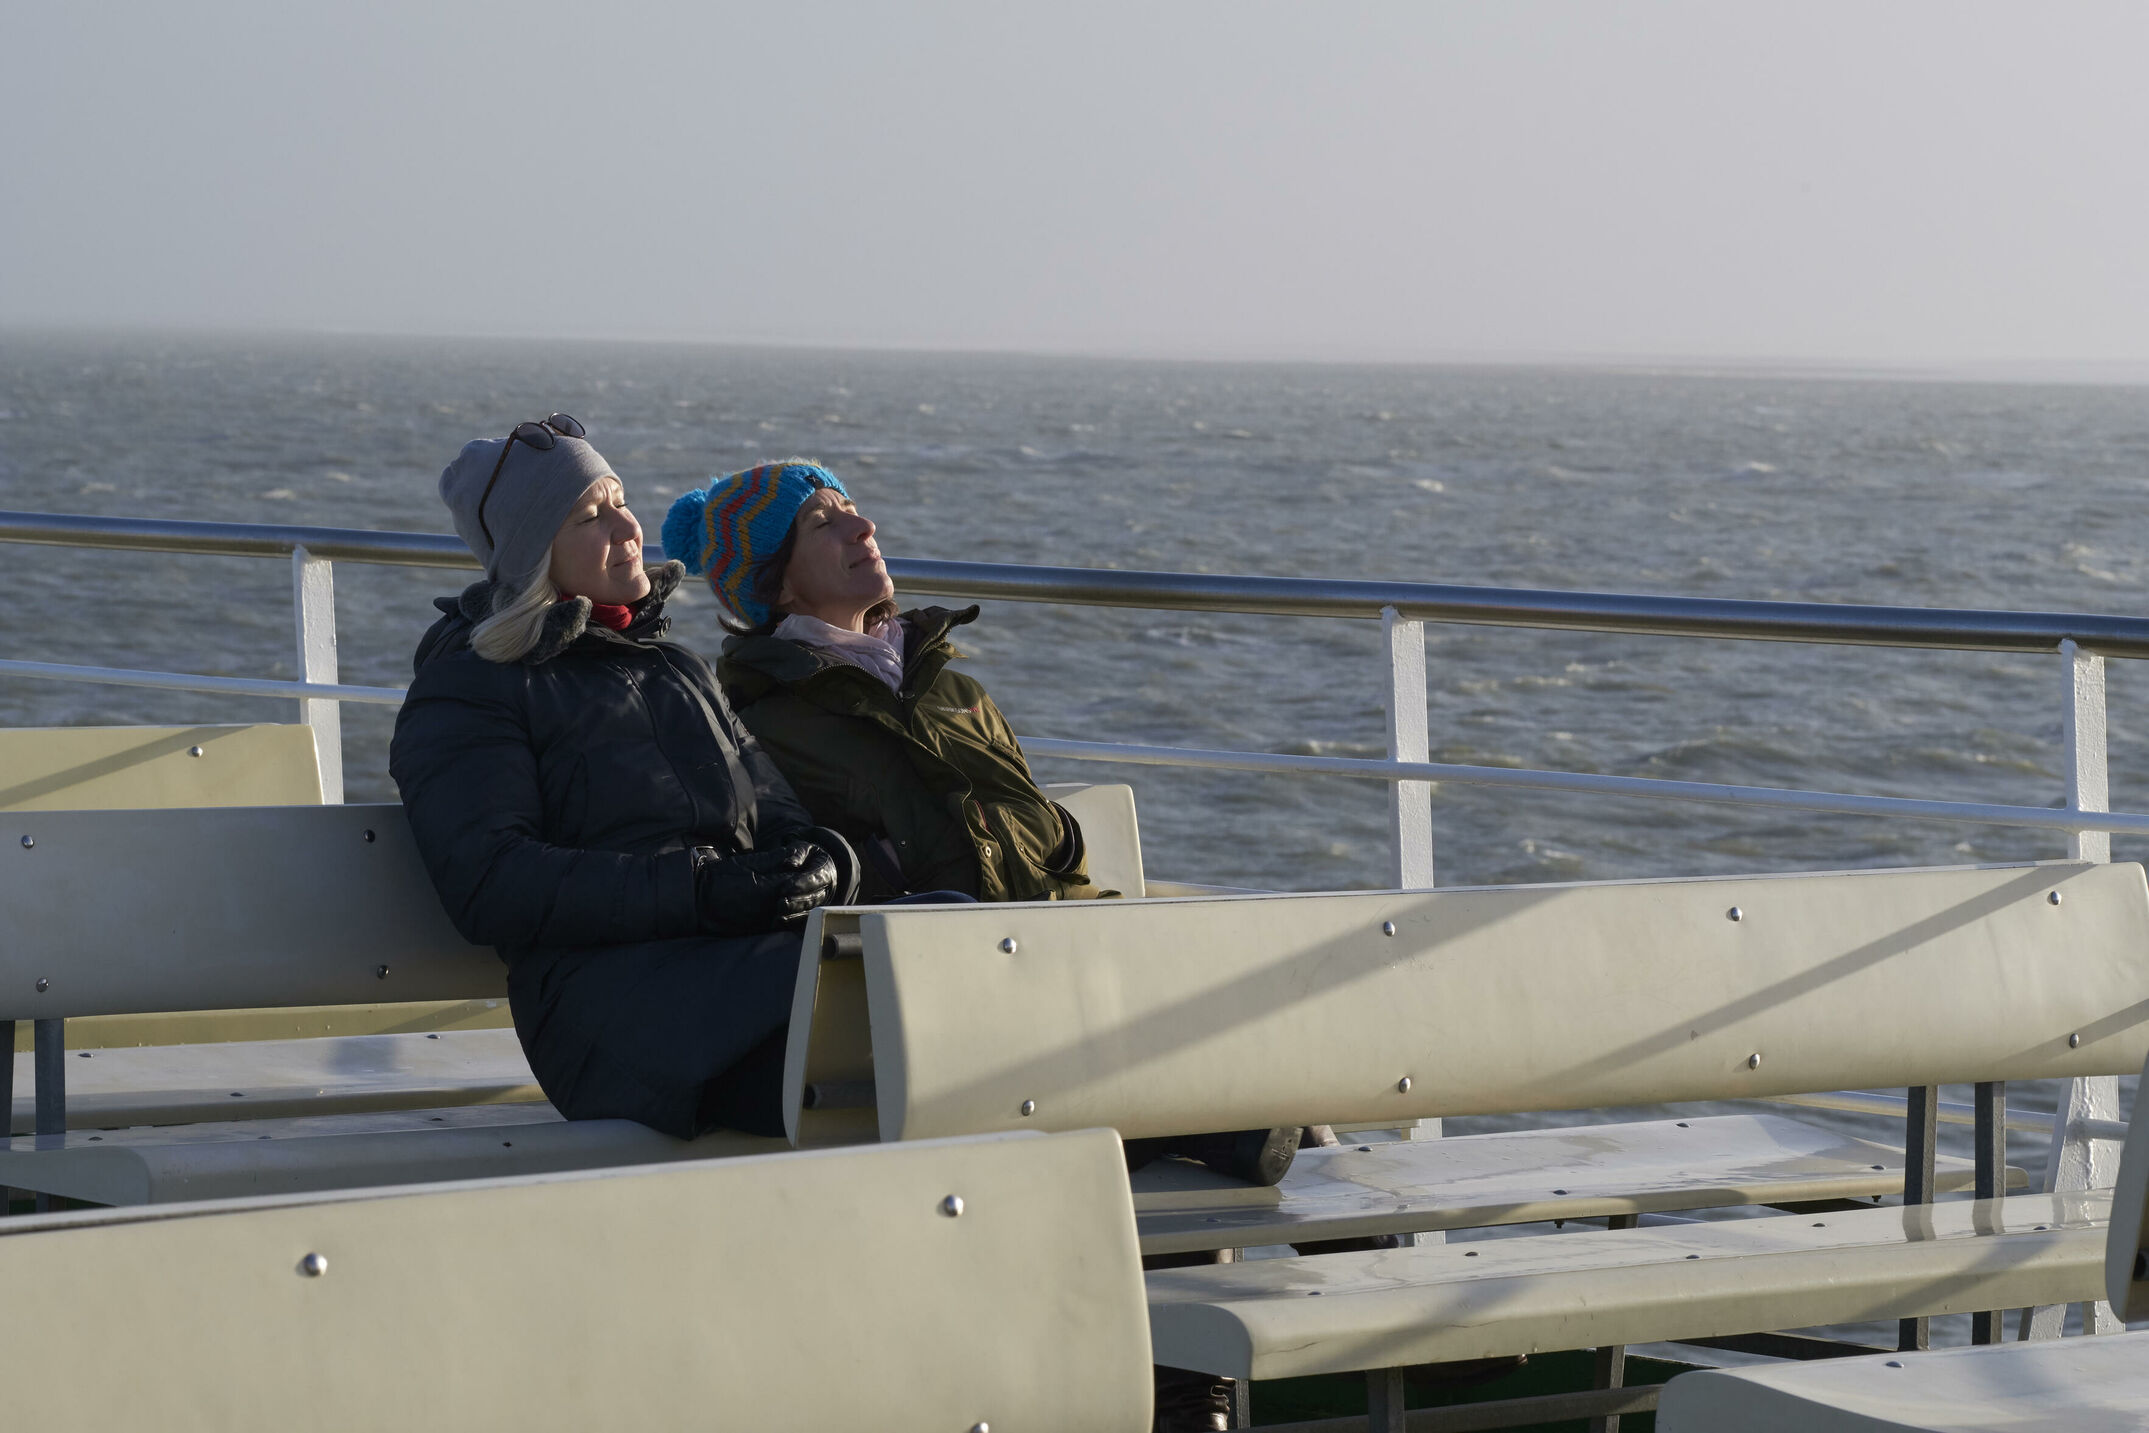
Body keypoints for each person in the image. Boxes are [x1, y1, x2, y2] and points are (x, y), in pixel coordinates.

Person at [389, 416, 860, 1140]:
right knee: (897, 1033)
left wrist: (828, 862)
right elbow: (492, 883)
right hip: (615, 1016)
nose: (628, 526)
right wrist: (701, 890)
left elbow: (777, 810)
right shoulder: (470, 689)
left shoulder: (673, 667)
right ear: (533, 554)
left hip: (738, 967)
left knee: (944, 944)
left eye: (620, 500)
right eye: (590, 514)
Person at [661, 458, 1095, 905]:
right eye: (823, 523)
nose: (864, 526)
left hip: (1068, 935)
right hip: (930, 959)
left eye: (851, 508)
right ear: (778, 586)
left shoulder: (957, 691)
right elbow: (797, 888)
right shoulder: (761, 728)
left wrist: (1064, 836)